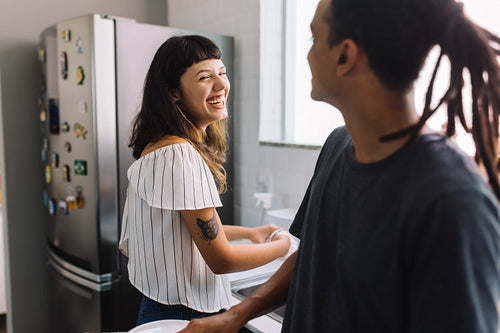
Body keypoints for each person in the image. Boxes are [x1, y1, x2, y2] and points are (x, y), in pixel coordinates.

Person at [180, 0, 500, 332]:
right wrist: (236, 315)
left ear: (344, 56)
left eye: (313, 38)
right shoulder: (337, 145)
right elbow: (311, 257)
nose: (307, 55)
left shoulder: (451, 201)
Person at [118, 35, 292, 326]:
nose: (222, 85)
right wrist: (284, 248)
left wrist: (249, 233)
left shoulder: (160, 148)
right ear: (174, 93)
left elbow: (182, 229)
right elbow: (222, 260)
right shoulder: (179, 155)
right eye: (205, 77)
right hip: (187, 314)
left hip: (163, 308)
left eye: (222, 73)